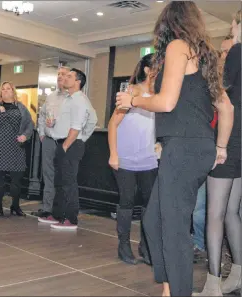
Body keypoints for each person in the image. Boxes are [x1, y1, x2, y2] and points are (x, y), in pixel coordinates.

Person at [115, 2, 234, 296]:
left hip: (183, 148)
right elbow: (227, 108)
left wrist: (134, 101)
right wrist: (219, 147)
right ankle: (170, 287)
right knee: (154, 221)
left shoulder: (178, 46)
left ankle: (177, 292)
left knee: (174, 228)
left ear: (167, 23)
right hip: (193, 147)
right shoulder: (204, 56)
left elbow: (166, 102)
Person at [196, 10, 241, 296]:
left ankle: (213, 283)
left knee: (215, 213)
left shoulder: (238, 51)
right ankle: (237, 275)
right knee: (232, 213)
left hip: (230, 140)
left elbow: (220, 93)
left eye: (235, 22)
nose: (232, 27)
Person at [108, 54, 157, 265]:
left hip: (149, 158)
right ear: (147, 70)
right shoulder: (131, 91)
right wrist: (113, 154)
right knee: (127, 201)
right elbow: (112, 124)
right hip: (125, 158)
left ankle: (146, 248)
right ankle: (123, 246)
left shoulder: (161, 95)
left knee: (149, 204)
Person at [42, 68, 97, 230]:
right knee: (60, 181)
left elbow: (80, 124)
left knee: (68, 182)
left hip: (69, 144)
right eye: (64, 76)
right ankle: (58, 214)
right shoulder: (69, 99)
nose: (64, 78)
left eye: (69, 76)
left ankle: (70, 219)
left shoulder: (79, 99)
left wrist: (71, 143)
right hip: (62, 143)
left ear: (78, 82)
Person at [0, 81, 34, 216]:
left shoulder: (21, 107)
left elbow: (30, 125)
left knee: (16, 180)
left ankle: (15, 206)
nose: (5, 91)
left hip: (16, 147)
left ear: (13, 91)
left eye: (8, 89)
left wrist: (25, 136)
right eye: (3, 89)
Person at [37, 66, 69, 219]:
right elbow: (42, 115)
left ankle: (60, 209)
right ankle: (47, 207)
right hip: (49, 140)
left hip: (65, 141)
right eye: (58, 74)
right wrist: (42, 134)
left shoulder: (74, 98)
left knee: (63, 176)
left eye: (63, 74)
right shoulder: (50, 97)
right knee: (48, 175)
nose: (60, 77)